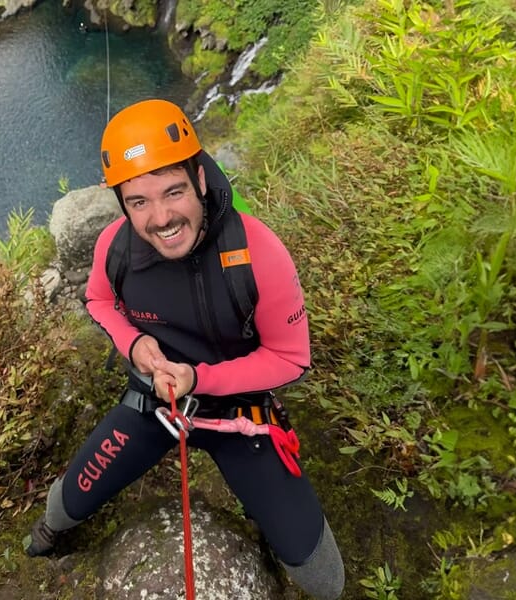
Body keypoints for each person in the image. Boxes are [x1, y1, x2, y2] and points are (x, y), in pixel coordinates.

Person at [25, 98, 345, 599]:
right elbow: (99, 298)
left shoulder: (256, 252)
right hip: (154, 402)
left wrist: (200, 379)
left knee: (323, 578)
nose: (160, 218)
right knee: (68, 499)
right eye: (139, 202)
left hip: (237, 413)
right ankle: (50, 533)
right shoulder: (116, 246)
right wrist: (134, 345)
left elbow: (290, 358)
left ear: (199, 178)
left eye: (173, 191)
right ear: (122, 203)